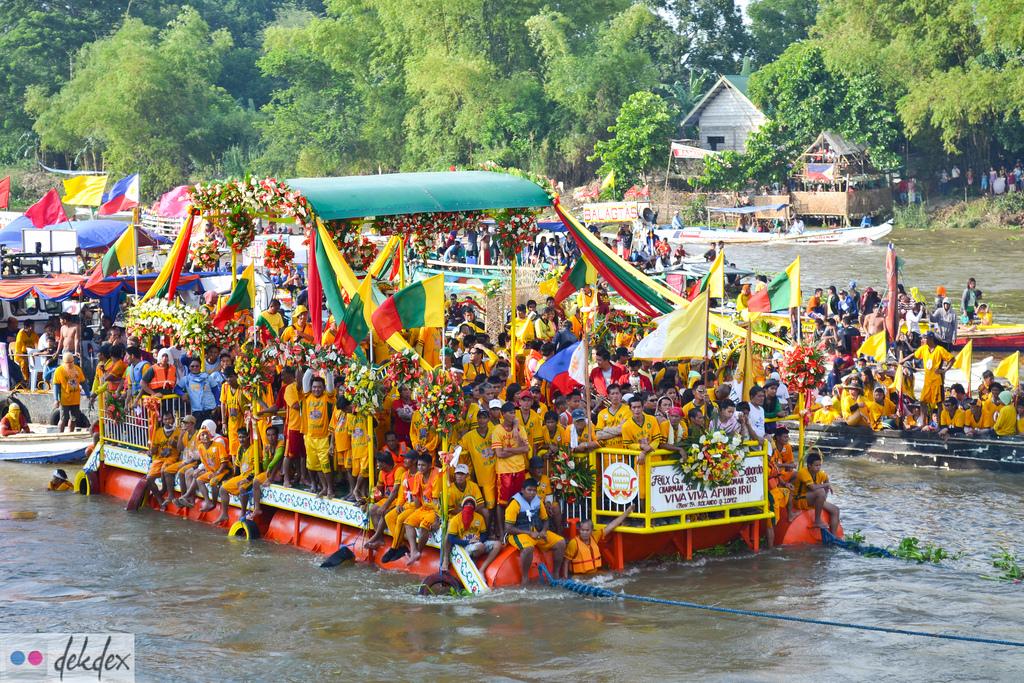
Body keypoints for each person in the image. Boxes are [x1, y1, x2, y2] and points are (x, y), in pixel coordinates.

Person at [504, 478, 566, 585]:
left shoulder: (538, 500)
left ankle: (555, 574)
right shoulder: (515, 503)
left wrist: (543, 531)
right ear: (523, 490)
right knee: (528, 548)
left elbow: (545, 520)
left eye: (534, 490)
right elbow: (508, 528)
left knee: (561, 542)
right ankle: (525, 578)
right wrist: (529, 533)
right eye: (529, 490)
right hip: (518, 534)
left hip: (537, 532)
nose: (532, 493)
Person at [562, 504, 634, 577]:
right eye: (582, 530)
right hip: (579, 576)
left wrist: (627, 512)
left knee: (617, 574)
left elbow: (611, 526)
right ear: (579, 530)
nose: (584, 533)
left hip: (594, 573)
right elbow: (566, 562)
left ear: (591, 531)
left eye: (587, 530)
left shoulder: (594, 536)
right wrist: (565, 578)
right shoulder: (574, 543)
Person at [492, 401, 530, 530]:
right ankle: (502, 532)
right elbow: (499, 454)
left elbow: (526, 449)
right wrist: (514, 451)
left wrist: (515, 430)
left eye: (514, 412)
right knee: (502, 503)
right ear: (503, 414)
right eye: (510, 413)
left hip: (519, 469)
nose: (513, 415)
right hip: (504, 472)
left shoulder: (520, 429)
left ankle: (516, 529)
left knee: (518, 501)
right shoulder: (497, 430)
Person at [442, 495, 501, 575]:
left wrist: (479, 540)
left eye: (471, 504)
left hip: (478, 543)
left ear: (474, 507)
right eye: (467, 504)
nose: (469, 505)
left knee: (497, 544)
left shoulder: (479, 518)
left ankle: (482, 569)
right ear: (463, 506)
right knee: (479, 546)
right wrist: (468, 542)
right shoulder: (455, 520)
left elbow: (484, 534)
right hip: (465, 545)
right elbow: (451, 538)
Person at [793, 452, 840, 533]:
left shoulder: (821, 474)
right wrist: (826, 485)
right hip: (799, 499)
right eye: (816, 465)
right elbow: (812, 487)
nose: (818, 468)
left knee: (835, 510)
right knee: (820, 491)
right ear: (809, 466)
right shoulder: (803, 472)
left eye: (819, 465)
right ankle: (817, 521)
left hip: (813, 499)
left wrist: (824, 497)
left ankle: (833, 536)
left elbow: (826, 480)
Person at [52, 353, 86, 432]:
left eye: (71, 362)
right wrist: (56, 399)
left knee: (74, 418)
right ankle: (60, 433)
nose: (70, 364)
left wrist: (88, 394)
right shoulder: (59, 370)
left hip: (75, 399)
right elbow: (56, 386)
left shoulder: (78, 369)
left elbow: (83, 382)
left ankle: (70, 432)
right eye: (68, 363)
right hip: (64, 400)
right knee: (63, 418)